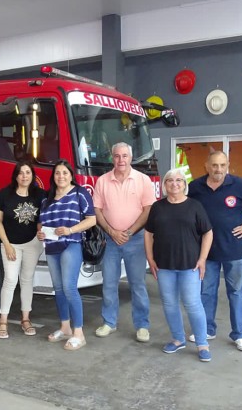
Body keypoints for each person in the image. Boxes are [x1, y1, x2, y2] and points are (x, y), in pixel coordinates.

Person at [187, 151, 242, 352]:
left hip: (234, 250)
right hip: (206, 251)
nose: (218, 169)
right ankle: (207, 329)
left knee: (236, 293)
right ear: (207, 166)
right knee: (206, 292)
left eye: (222, 165)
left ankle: (240, 335)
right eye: (214, 165)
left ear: (228, 165)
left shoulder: (239, 185)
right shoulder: (195, 187)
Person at [145, 169, 214, 362]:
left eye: (179, 180)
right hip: (164, 265)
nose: (174, 184)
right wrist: (150, 258)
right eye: (170, 181)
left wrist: (202, 259)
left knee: (193, 303)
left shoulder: (195, 206)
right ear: (164, 185)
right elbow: (148, 233)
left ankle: (202, 343)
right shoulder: (158, 207)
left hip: (190, 265)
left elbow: (208, 232)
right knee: (169, 304)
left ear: (184, 184)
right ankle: (177, 339)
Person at [93, 142, 155, 342]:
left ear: (131, 157)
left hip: (135, 240)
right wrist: (112, 231)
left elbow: (147, 210)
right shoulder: (102, 181)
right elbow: (97, 211)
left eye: (125, 156)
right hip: (110, 241)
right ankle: (109, 323)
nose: (121, 160)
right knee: (109, 284)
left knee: (137, 284)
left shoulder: (143, 180)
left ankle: (142, 325)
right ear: (112, 158)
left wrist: (128, 232)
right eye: (117, 156)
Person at [37, 160, 96, 351]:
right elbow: (41, 224)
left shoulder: (79, 193)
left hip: (71, 244)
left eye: (64, 173)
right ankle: (65, 327)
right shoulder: (46, 199)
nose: (61, 176)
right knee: (59, 289)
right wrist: (40, 233)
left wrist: (70, 230)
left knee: (70, 288)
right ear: (53, 177)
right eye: (57, 173)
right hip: (52, 247)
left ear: (71, 175)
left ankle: (79, 333)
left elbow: (91, 220)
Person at [0, 161, 45, 339]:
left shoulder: (40, 195)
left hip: (32, 243)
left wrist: (42, 230)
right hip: (11, 244)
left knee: (27, 280)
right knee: (10, 279)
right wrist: (6, 245)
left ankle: (25, 319)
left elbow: (44, 218)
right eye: (21, 173)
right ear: (16, 176)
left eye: (28, 172)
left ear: (33, 175)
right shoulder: (5, 194)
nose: (24, 176)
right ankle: (3, 321)